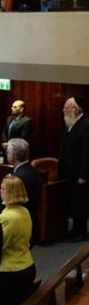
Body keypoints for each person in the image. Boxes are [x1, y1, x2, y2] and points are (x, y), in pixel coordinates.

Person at [0, 175, 37, 305]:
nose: (0, 191)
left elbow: (0, 245)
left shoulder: (7, 217)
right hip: (27, 264)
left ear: (9, 192)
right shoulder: (24, 211)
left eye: (2, 188)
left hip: (10, 271)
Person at [2, 138, 41, 244]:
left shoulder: (17, 178)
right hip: (31, 222)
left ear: (12, 156)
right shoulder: (34, 171)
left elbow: (8, 203)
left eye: (7, 152)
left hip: (18, 227)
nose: (6, 155)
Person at [62, 97, 89, 240]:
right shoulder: (71, 123)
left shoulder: (86, 125)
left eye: (66, 108)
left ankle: (81, 232)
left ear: (77, 110)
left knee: (80, 203)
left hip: (79, 174)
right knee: (73, 202)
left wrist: (83, 175)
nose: (63, 110)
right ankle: (75, 229)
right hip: (70, 173)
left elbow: (87, 153)